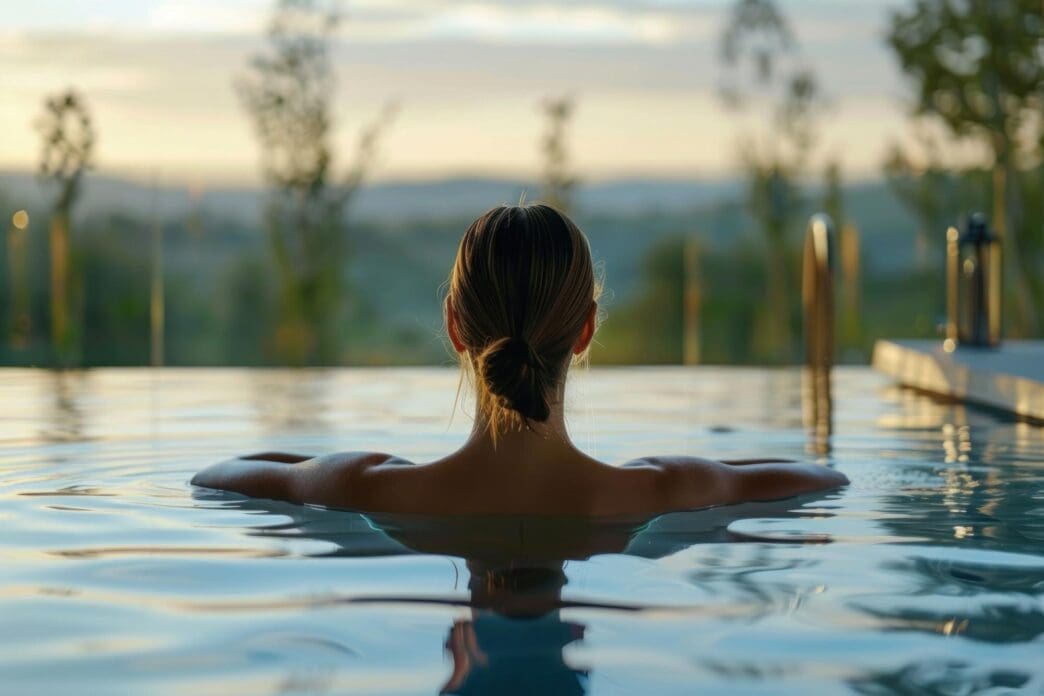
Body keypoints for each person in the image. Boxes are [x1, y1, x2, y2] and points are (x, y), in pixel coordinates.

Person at [192, 204, 848, 516]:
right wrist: (686, 466)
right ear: (586, 331)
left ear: (455, 327)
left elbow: (218, 474)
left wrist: (331, 465)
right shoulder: (663, 489)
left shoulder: (366, 485)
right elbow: (820, 478)